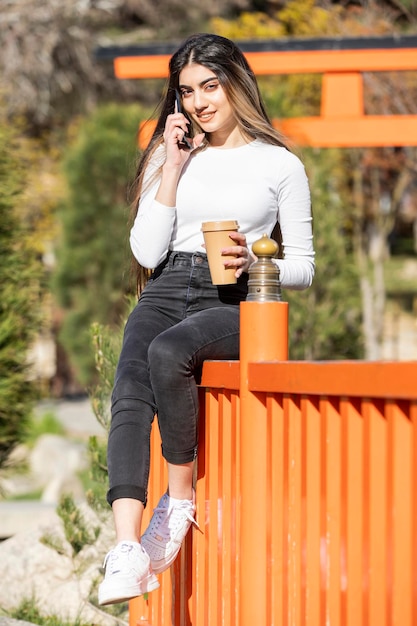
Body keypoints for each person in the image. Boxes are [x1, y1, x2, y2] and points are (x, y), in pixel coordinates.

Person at [98, 32, 315, 606]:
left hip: (237, 299)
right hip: (169, 285)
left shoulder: (280, 165)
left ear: (236, 82)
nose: (198, 101)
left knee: (169, 353)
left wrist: (254, 262)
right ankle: (126, 549)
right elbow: (147, 254)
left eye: (209, 86)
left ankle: (178, 503)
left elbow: (306, 267)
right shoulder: (169, 157)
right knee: (130, 387)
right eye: (186, 91)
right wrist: (170, 166)